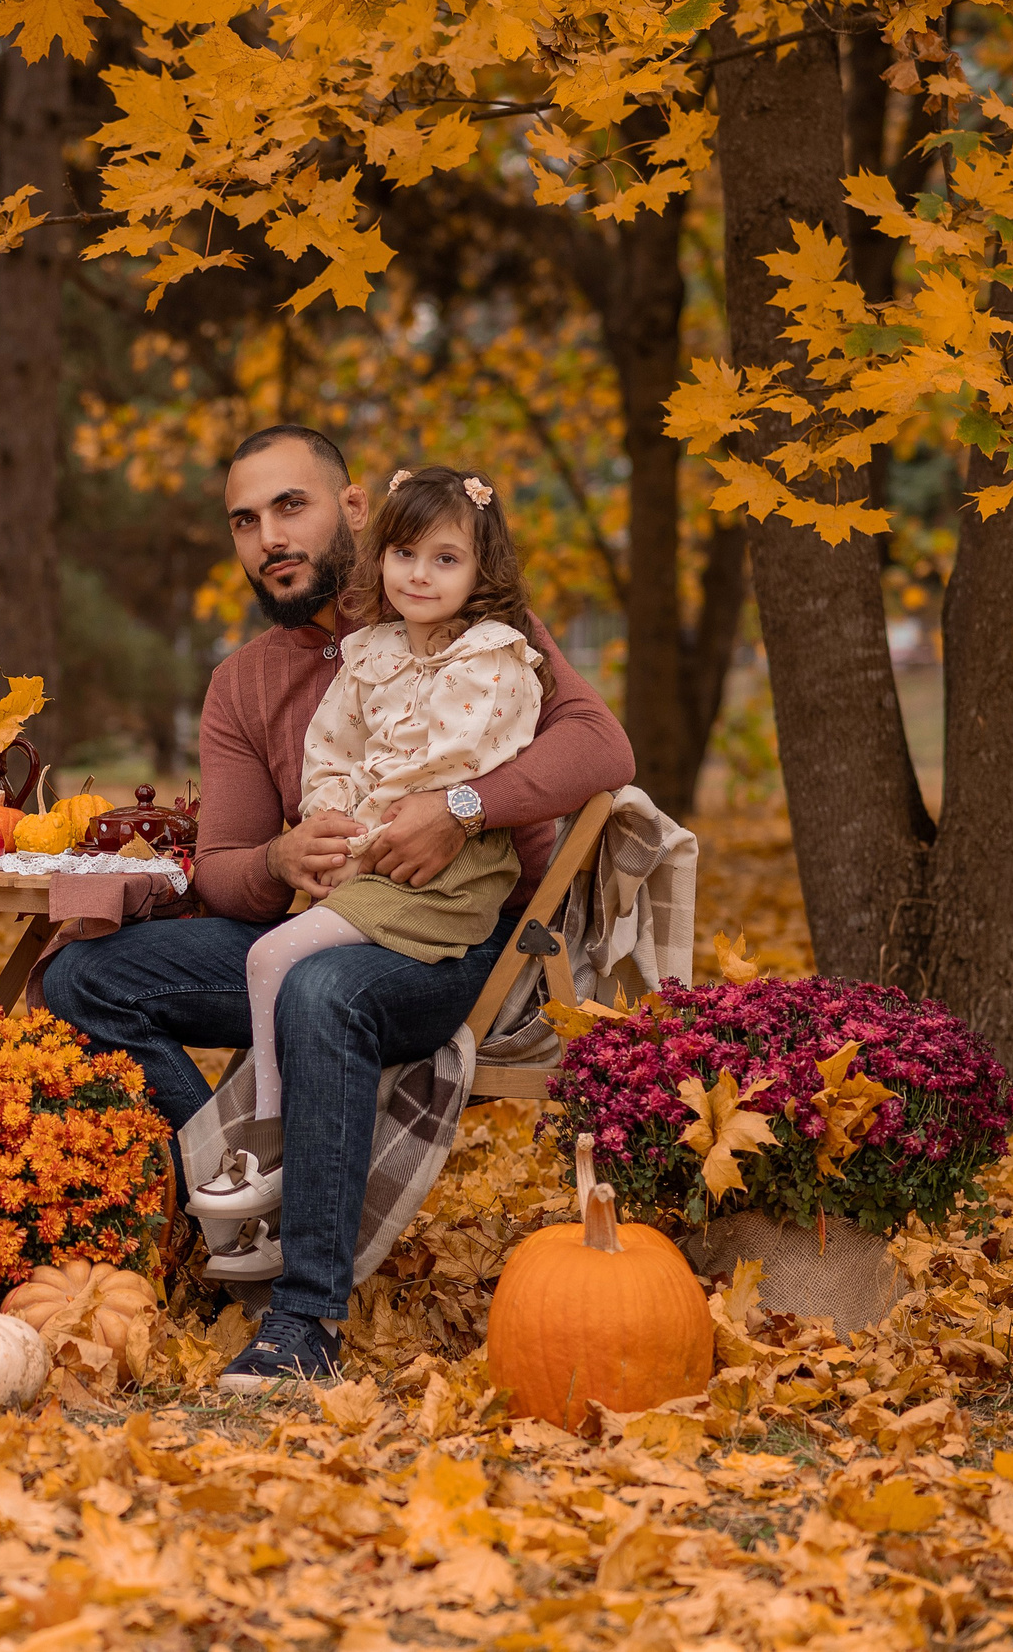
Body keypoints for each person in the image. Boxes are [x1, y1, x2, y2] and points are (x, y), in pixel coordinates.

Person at [40, 424, 632, 1385]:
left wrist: (461, 808)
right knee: (77, 977)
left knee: (320, 990)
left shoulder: (472, 623)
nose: (268, 536)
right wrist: (280, 855)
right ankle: (225, 1195)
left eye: (290, 506)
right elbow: (226, 870)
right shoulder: (243, 684)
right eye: (244, 520)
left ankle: (304, 1320)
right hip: (319, 915)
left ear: (353, 510)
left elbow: (604, 750)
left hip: (451, 940)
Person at [236, 465, 548, 1124]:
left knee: (272, 958)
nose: (419, 574)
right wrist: (335, 827)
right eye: (404, 553)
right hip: (373, 867)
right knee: (284, 969)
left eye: (445, 558)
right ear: (379, 558)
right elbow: (333, 753)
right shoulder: (371, 652)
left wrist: (359, 847)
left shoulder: (491, 658)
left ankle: (263, 1135)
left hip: (446, 877)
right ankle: (271, 1132)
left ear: (480, 569)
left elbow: (430, 780)